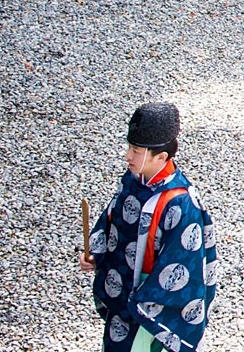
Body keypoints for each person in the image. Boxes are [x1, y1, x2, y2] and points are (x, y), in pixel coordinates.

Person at [81, 102, 218, 352]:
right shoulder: (134, 179)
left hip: (151, 299)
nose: (127, 156)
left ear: (162, 156)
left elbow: (183, 265)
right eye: (129, 147)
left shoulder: (180, 201)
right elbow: (113, 215)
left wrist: (144, 300)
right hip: (123, 284)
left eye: (135, 150)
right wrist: (97, 252)